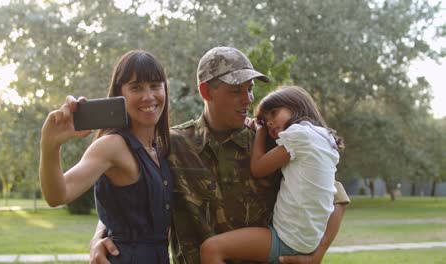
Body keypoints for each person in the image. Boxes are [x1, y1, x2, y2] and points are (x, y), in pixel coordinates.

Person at [90, 47, 350, 264]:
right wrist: (100, 236)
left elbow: (333, 194)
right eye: (236, 91)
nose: (248, 99)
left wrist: (318, 252)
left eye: (250, 90)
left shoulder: (271, 142)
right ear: (206, 92)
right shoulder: (172, 145)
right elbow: (127, 197)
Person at [39, 50, 172, 263]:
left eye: (155, 85)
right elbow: (57, 195)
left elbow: (124, 209)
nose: (148, 96)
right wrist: (50, 146)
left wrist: (99, 233)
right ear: (120, 94)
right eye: (136, 87)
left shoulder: (162, 147)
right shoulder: (112, 145)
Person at [200, 85, 344, 263]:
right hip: (308, 240)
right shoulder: (324, 139)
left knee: (211, 249)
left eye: (274, 113)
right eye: (264, 121)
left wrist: (260, 131)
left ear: (296, 106)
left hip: (289, 239)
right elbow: (338, 199)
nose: (269, 123)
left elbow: (258, 168)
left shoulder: (299, 135)